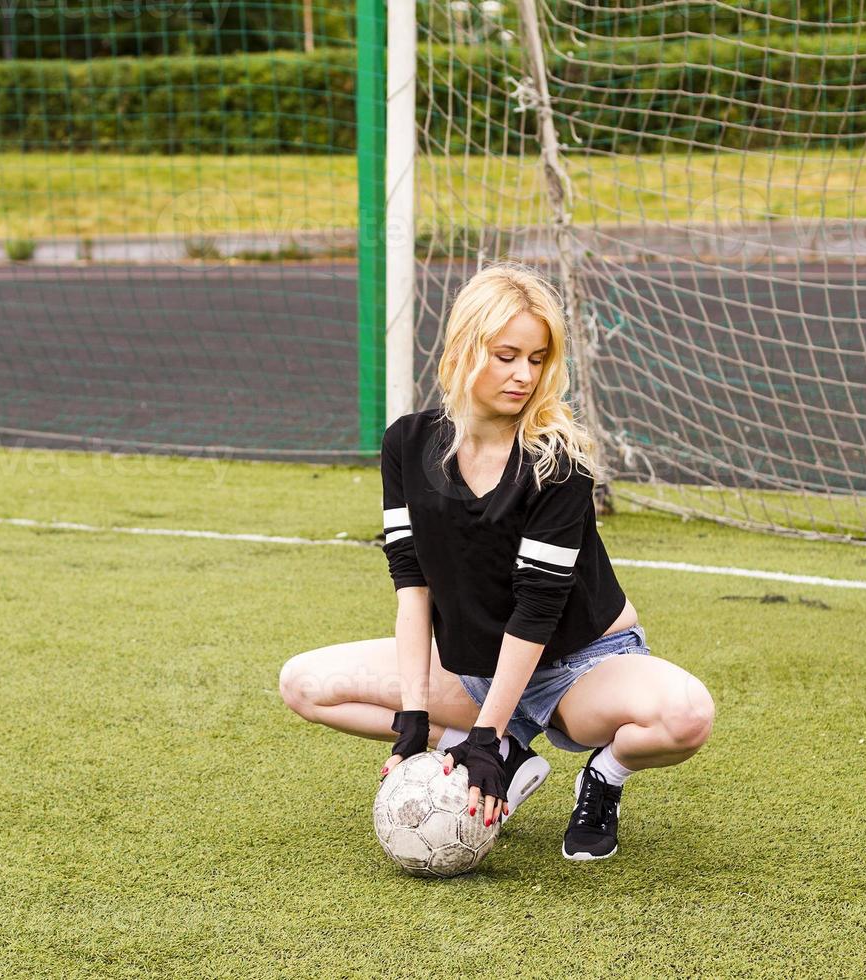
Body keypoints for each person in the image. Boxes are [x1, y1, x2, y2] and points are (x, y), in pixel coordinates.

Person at [279, 263, 715, 860]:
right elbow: (412, 584)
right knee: (305, 684)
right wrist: (413, 714)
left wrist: (490, 728)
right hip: (471, 669)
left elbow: (537, 608)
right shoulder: (407, 444)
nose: (523, 375)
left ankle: (602, 778)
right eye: (506, 355)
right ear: (464, 348)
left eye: (536, 359)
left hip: (581, 666)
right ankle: (504, 753)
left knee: (686, 716)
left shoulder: (555, 459)